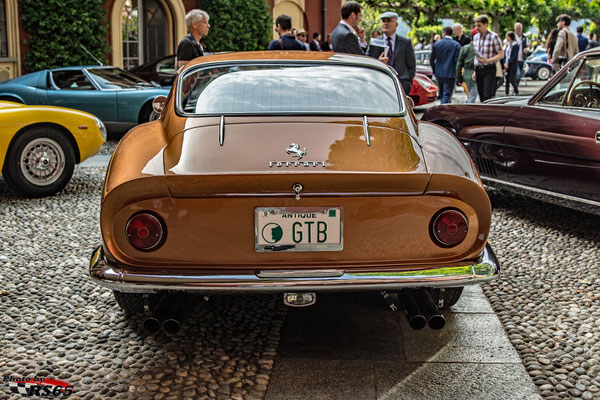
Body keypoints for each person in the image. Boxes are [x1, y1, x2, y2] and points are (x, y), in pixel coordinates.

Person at [368, 11, 416, 94]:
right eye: (384, 21)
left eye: (389, 21)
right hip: (379, 85)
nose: (386, 24)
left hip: (401, 86)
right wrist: (378, 62)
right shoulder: (375, 42)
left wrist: (407, 82)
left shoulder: (405, 43)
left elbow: (412, 66)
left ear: (396, 24)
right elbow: (367, 60)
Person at [472, 15, 504, 102]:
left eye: (479, 25)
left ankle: (488, 112)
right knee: (481, 94)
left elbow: (501, 54)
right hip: (478, 69)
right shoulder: (475, 37)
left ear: (486, 25)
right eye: (476, 25)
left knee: (487, 94)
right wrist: (475, 71)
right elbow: (476, 54)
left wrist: (488, 60)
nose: (477, 28)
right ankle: (483, 113)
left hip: (489, 68)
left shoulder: (494, 37)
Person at [431, 27, 461, 104]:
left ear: (444, 33)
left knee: (441, 93)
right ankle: (443, 107)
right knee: (447, 94)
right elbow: (457, 61)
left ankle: (443, 105)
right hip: (451, 73)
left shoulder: (437, 44)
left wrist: (435, 70)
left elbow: (432, 59)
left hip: (439, 72)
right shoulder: (456, 45)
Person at [456, 39, 478, 103]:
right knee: (473, 96)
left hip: (466, 74)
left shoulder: (465, 48)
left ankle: (468, 105)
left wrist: (459, 78)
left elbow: (459, 63)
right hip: (475, 73)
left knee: (471, 94)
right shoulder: (478, 48)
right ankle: (468, 108)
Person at [513, 23, 529, 88]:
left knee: (519, 75)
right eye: (517, 28)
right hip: (514, 59)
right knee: (517, 74)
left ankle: (515, 88)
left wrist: (527, 49)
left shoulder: (524, 37)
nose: (519, 30)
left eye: (520, 28)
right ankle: (515, 88)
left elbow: (528, 46)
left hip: (522, 58)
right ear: (514, 29)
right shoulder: (513, 36)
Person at [504, 31, 520, 95]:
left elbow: (514, 56)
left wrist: (509, 63)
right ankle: (506, 93)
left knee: (511, 79)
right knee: (507, 80)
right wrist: (505, 63)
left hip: (512, 64)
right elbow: (505, 55)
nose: (506, 38)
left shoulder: (515, 45)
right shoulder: (507, 45)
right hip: (507, 63)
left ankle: (516, 91)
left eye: (507, 37)